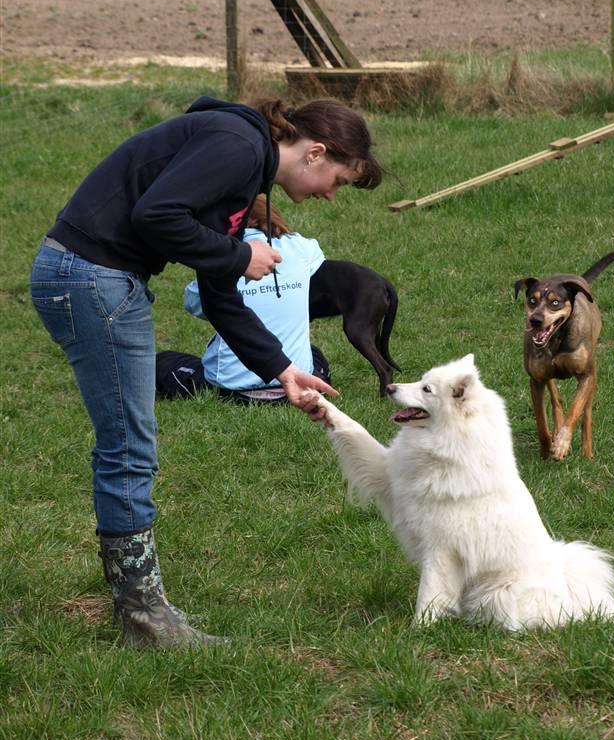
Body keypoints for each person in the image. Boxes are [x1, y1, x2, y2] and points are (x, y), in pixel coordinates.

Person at [29, 96, 381, 649]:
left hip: (93, 276)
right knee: (128, 445)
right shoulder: (239, 147)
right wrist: (241, 257)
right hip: (91, 276)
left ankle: (142, 608)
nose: (330, 194)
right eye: (337, 178)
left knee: (129, 440)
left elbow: (219, 295)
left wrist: (283, 368)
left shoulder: (245, 171)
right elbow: (157, 215)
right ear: (316, 151)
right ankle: (144, 618)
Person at [156, 197, 331, 403]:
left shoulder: (222, 255)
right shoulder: (303, 247)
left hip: (233, 390)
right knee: (312, 354)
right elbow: (318, 262)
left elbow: (195, 303)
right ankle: (315, 381)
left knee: (161, 362)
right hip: (296, 383)